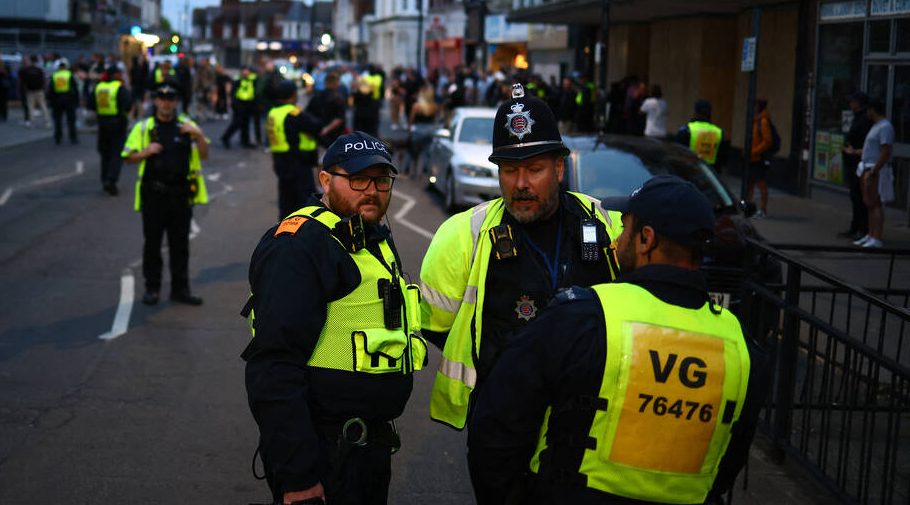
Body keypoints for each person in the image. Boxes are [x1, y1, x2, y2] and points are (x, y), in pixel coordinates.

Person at [467, 175, 766, 505]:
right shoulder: (743, 350)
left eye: (625, 229)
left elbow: (496, 427)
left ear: (646, 239)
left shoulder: (581, 318)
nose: (616, 241)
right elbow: (729, 459)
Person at [419, 85, 623, 430]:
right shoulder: (462, 234)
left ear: (559, 169)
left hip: (587, 428)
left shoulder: (608, 228)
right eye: (509, 170)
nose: (521, 183)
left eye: (534, 169)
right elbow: (436, 326)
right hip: (500, 425)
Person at [242, 131, 424, 505]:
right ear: (325, 180)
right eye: (358, 179)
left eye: (381, 180)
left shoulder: (368, 235)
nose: (372, 190)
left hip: (364, 451)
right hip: (325, 456)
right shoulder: (300, 245)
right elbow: (274, 366)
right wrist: (299, 478)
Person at [122, 85, 209, 306]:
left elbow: (204, 154)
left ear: (176, 101)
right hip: (154, 194)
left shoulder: (187, 127)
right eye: (162, 98)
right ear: (155, 101)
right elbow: (128, 157)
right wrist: (145, 152)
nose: (166, 102)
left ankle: (181, 289)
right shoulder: (144, 128)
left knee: (180, 245)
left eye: (171, 98)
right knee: (152, 244)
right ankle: (152, 288)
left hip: (181, 195)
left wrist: (198, 134)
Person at [266, 80, 326, 219]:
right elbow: (316, 126)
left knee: (286, 201)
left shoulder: (273, 112)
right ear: (293, 95)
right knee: (306, 202)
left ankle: (284, 231)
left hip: (280, 161)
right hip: (297, 162)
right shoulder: (293, 113)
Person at [853, 98, 894, 248]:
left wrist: (874, 170)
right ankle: (870, 235)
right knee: (869, 203)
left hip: (874, 170)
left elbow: (885, 151)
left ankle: (876, 237)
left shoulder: (885, 127)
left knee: (875, 203)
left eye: (868, 110)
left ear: (872, 110)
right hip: (868, 167)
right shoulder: (877, 126)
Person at [94, 64, 134, 195]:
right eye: (119, 73)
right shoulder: (119, 88)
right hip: (117, 123)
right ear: (115, 75)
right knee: (116, 153)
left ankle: (104, 179)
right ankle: (111, 179)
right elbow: (127, 104)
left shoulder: (99, 87)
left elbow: (91, 103)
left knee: (105, 153)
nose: (121, 75)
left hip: (102, 123)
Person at [839, 91, 871, 240]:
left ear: (858, 103)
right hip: (852, 162)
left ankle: (863, 229)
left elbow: (867, 145)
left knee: (860, 198)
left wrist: (852, 151)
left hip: (859, 163)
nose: (850, 104)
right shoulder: (857, 118)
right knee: (855, 197)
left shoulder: (864, 120)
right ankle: (855, 227)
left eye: (853, 101)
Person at [676, 99, 723, 170]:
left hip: (689, 170)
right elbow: (721, 159)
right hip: (709, 174)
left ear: (695, 112)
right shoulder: (719, 132)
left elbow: (678, 154)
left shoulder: (687, 130)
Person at [220, 67, 257, 148]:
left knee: (245, 123)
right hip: (239, 104)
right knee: (237, 123)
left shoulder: (252, 80)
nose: (245, 74)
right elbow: (232, 92)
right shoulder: (237, 80)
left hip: (248, 104)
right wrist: (235, 104)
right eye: (244, 73)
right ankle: (225, 137)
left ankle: (245, 141)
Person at [748, 98, 773, 218]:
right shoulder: (754, 121)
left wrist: (754, 151)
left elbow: (767, 141)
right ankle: (748, 208)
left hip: (757, 159)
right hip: (750, 158)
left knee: (761, 184)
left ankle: (763, 209)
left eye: (755, 105)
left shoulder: (762, 122)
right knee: (749, 185)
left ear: (759, 107)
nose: (752, 107)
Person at [49, 59, 79, 145]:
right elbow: (75, 89)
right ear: (65, 67)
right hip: (68, 100)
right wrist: (76, 101)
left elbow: (51, 91)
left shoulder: (55, 76)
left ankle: (58, 138)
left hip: (57, 100)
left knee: (58, 121)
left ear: (59, 68)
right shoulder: (69, 74)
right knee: (71, 120)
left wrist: (51, 102)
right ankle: (73, 138)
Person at [19, 56, 50, 128]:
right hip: (39, 90)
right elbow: (44, 79)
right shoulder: (39, 70)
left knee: (30, 107)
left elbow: (23, 81)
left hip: (30, 91)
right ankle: (47, 121)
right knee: (43, 105)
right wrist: (43, 88)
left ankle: (32, 122)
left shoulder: (27, 70)